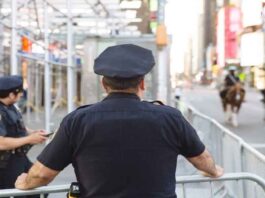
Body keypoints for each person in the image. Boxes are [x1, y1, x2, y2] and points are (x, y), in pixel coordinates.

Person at [15, 44, 223, 198]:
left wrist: (25, 182)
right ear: (142, 83)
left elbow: (42, 174)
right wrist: (214, 171)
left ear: (104, 84)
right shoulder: (170, 117)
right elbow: (202, 159)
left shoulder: (77, 121)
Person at [0, 75, 47, 197]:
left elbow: (16, 126)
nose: (21, 95)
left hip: (18, 158)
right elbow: (1, 143)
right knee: (19, 192)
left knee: (40, 186)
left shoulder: (9, 106)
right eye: (20, 92)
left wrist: (33, 133)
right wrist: (30, 139)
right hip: (5, 163)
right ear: (11, 94)